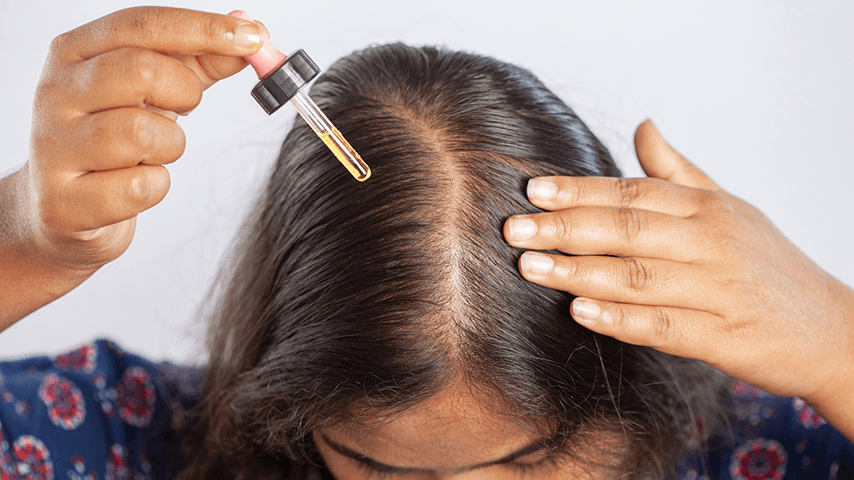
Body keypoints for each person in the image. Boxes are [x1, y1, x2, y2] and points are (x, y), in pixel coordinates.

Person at [0, 7, 852, 480]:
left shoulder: (783, 445)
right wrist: (21, 250)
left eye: (529, 461)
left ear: (635, 391)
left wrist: (837, 342)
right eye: (382, 472)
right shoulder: (121, 436)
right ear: (292, 408)